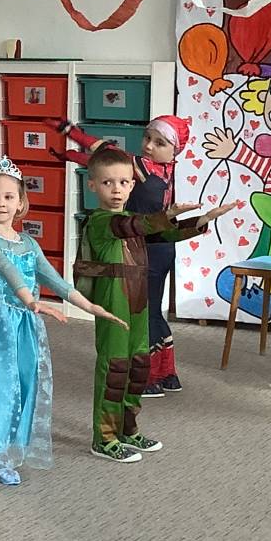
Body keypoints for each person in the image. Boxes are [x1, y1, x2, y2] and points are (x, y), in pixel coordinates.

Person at [0, 159, 118, 493]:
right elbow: (5, 267)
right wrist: (30, 300)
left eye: (9, 197)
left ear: (20, 202)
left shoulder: (28, 242)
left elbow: (55, 280)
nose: (1, 203)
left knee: (19, 388)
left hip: (23, 327)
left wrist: (90, 306)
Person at [76, 146, 233, 463]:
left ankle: (127, 430)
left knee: (138, 364)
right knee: (115, 367)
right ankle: (104, 438)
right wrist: (167, 214)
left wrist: (202, 220)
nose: (116, 189)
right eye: (107, 182)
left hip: (138, 299)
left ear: (132, 185)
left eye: (123, 182)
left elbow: (162, 234)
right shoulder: (102, 221)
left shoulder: (131, 221)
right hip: (113, 302)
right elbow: (136, 227)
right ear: (92, 185)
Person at [58, 114, 190, 395]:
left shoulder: (143, 167)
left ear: (175, 149)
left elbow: (106, 155)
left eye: (160, 143)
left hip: (144, 248)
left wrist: (73, 138)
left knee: (140, 312)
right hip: (162, 247)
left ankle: (147, 378)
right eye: (147, 138)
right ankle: (167, 373)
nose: (149, 146)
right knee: (152, 309)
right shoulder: (167, 171)